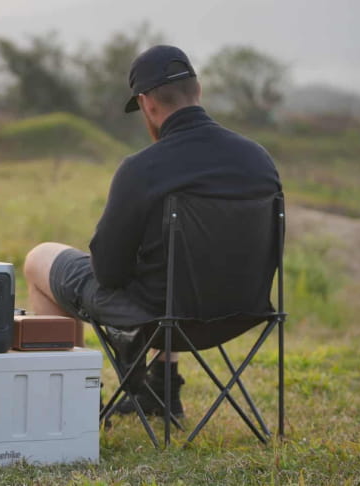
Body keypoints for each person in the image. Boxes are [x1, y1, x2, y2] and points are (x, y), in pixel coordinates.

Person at [23, 45, 282, 418]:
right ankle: (160, 389)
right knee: (171, 267)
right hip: (241, 310)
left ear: (146, 103)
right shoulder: (259, 159)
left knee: (38, 259)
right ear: (199, 90)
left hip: (160, 319)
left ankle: (73, 405)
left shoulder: (142, 169)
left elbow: (108, 273)